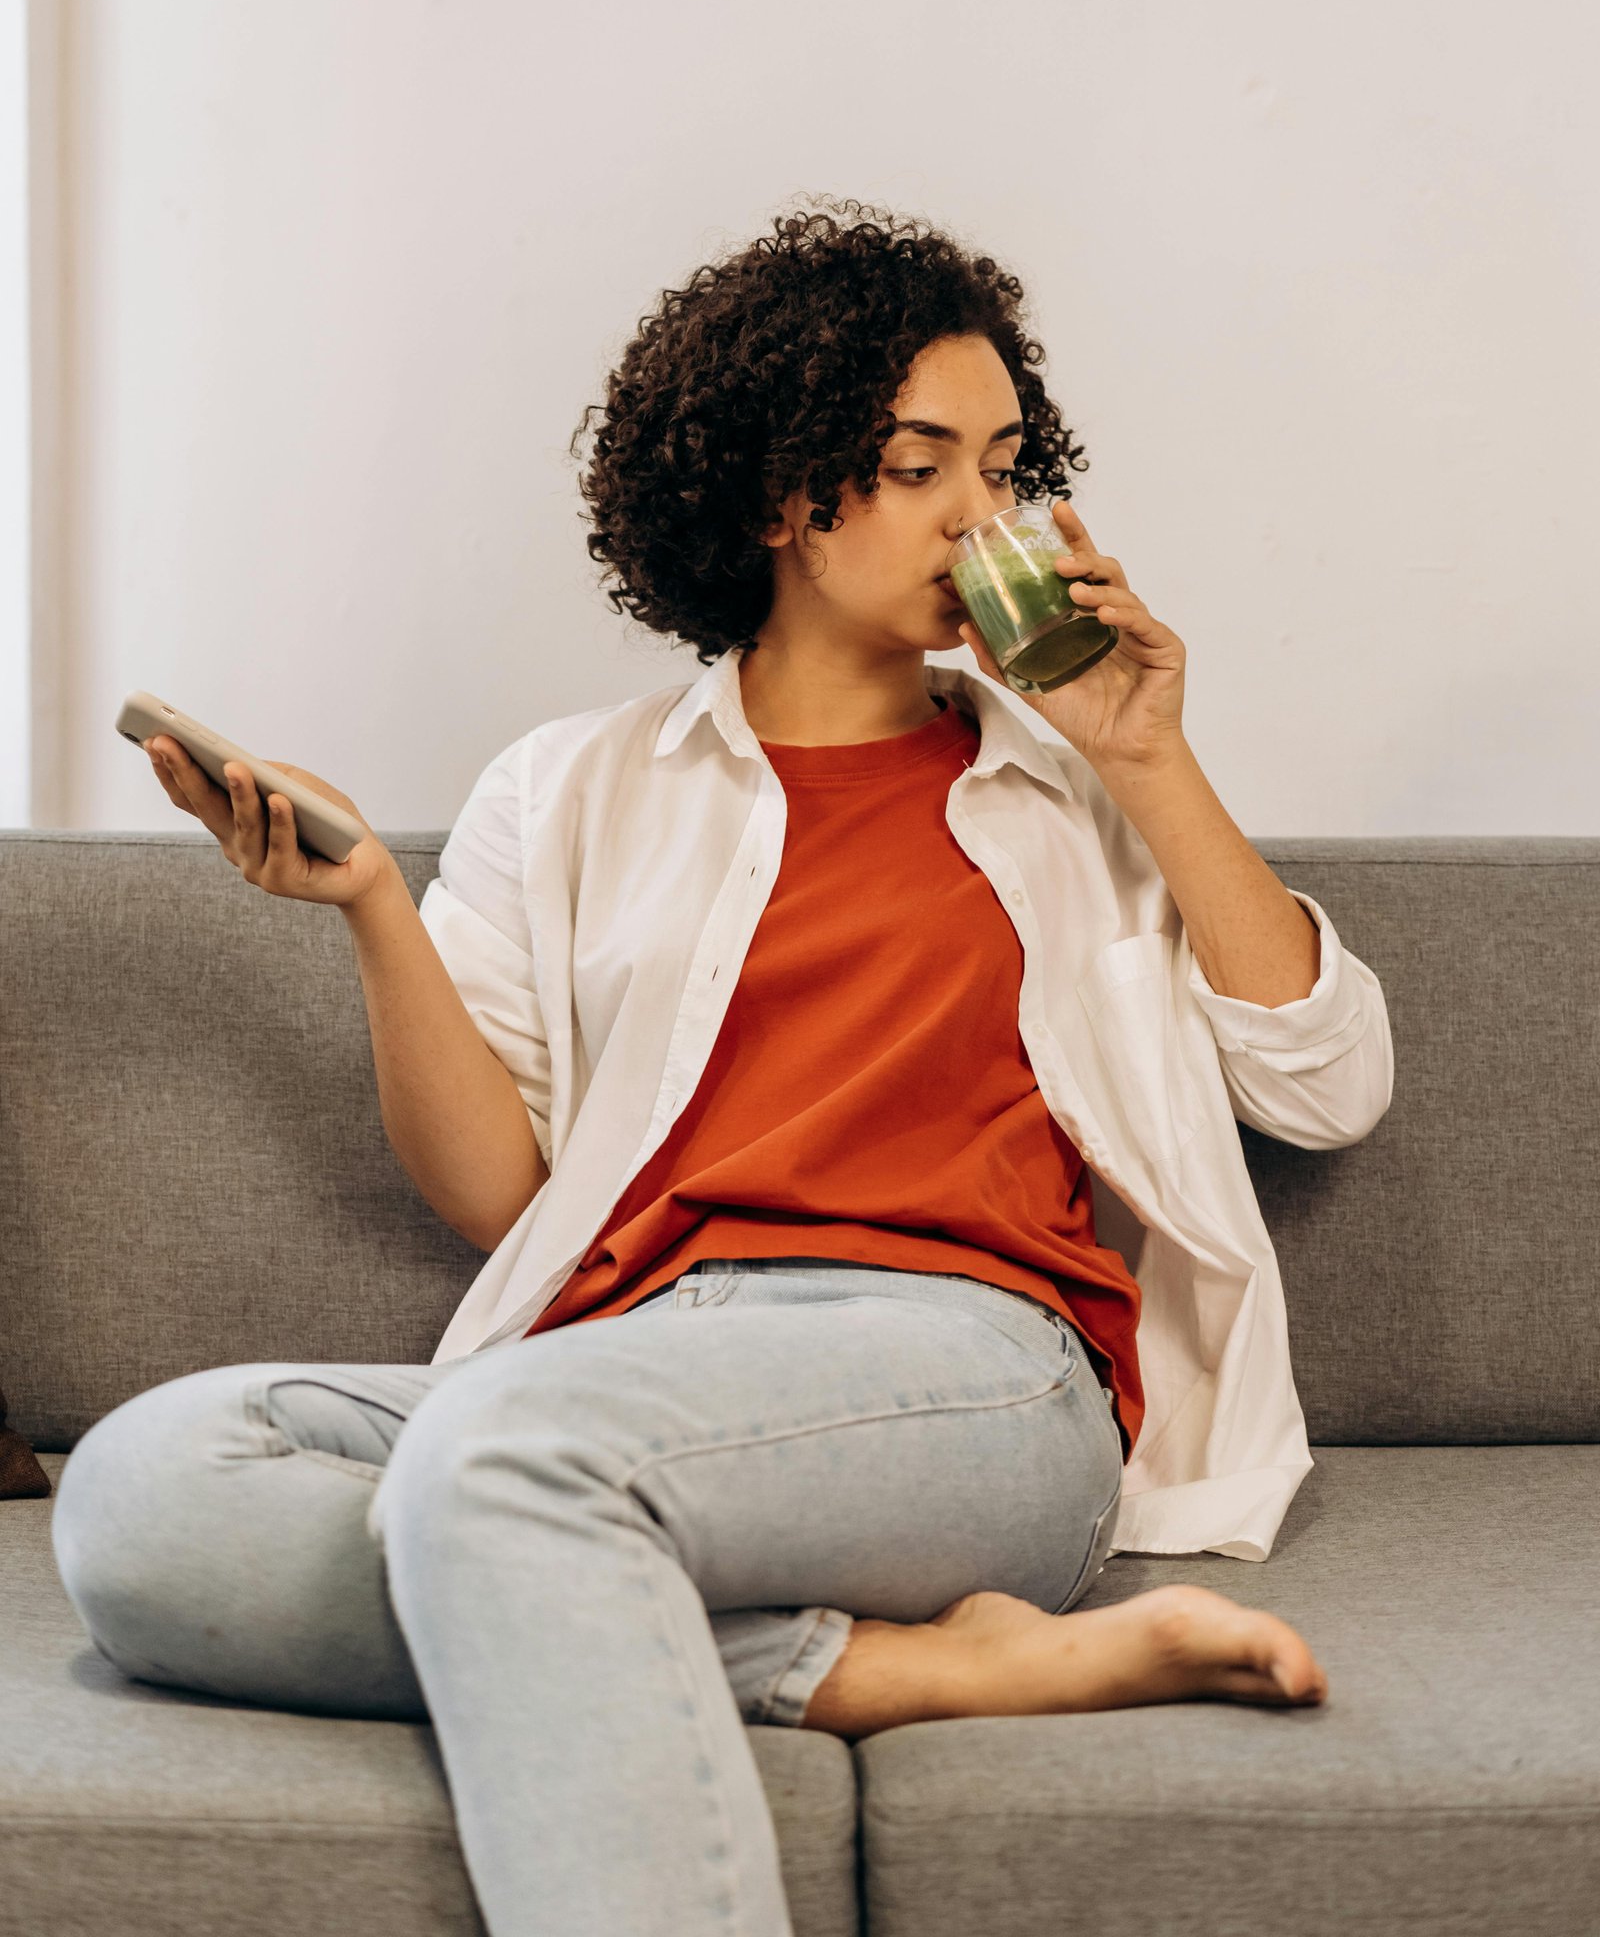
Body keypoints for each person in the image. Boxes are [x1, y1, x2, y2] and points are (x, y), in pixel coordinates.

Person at [55, 197, 1356, 1937]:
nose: (990, 516)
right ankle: (911, 1672)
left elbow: (1326, 1086)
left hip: (967, 1370)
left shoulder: (1075, 789)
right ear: (780, 492)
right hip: (634, 1361)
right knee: (148, 1499)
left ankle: (701, 1581)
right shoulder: (572, 789)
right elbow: (502, 1193)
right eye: (921, 467)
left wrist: (1151, 759)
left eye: (1005, 464)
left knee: (500, 1462)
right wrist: (373, 902)